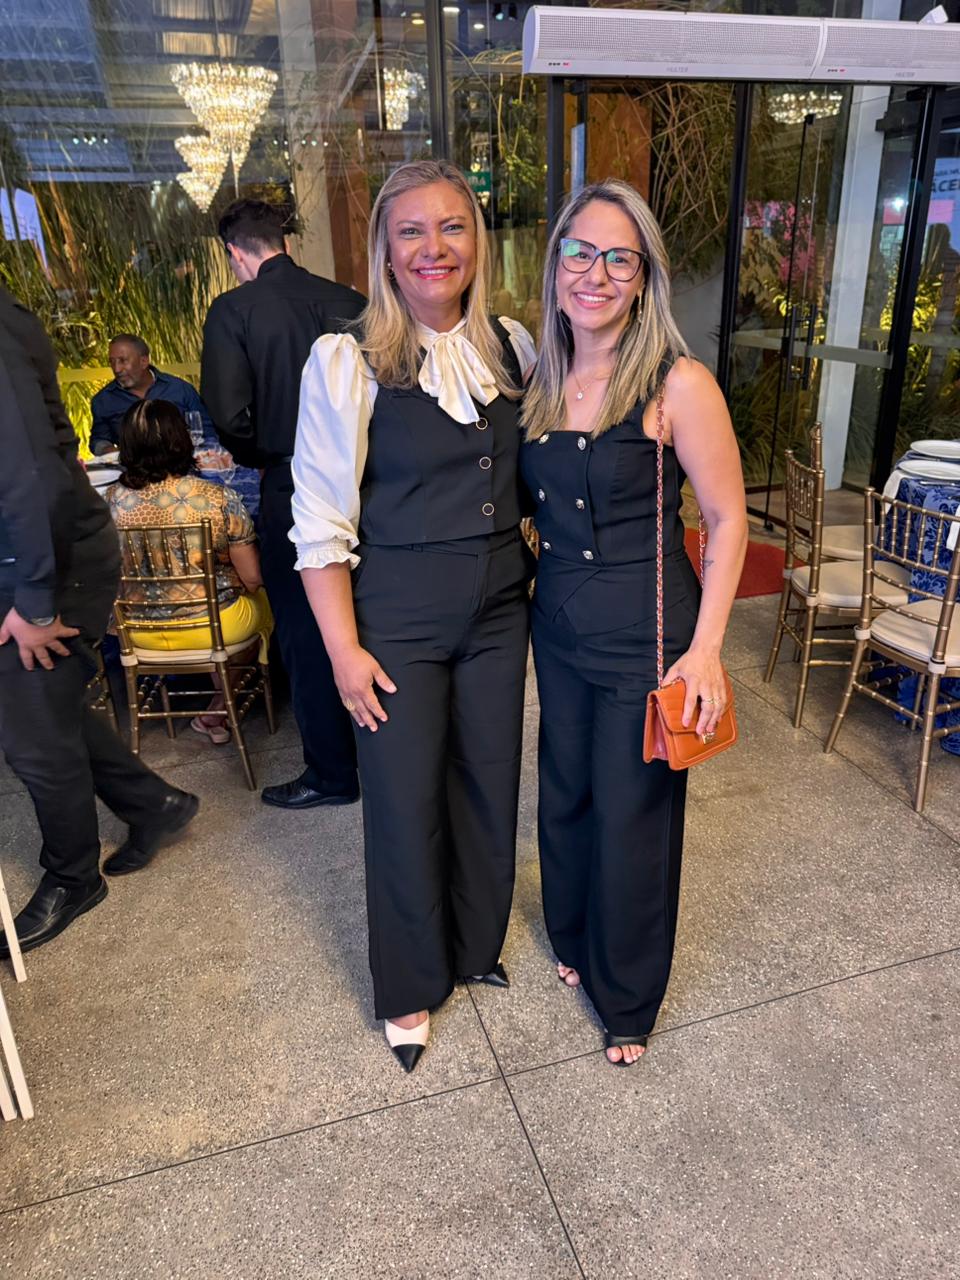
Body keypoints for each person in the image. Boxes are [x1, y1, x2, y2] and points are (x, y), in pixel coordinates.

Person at [289, 160, 536, 1071]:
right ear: (385, 253)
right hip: (396, 614)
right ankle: (408, 984)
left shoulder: (513, 346)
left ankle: (473, 947)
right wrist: (343, 650)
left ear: (477, 241)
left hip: (501, 608)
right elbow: (319, 519)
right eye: (412, 232)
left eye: (452, 227)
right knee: (402, 800)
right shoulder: (346, 360)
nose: (435, 248)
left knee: (487, 782)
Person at [520, 180, 747, 1066]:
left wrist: (708, 650)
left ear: (645, 276)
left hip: (647, 640)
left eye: (621, 258)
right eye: (581, 252)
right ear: (556, 265)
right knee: (567, 793)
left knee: (633, 814)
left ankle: (628, 996)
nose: (597, 274)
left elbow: (726, 519)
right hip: (557, 627)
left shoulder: (678, 383)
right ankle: (575, 935)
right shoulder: (541, 378)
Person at [0, 290, 199, 958]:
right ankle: (154, 805)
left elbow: (23, 470)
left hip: (44, 565)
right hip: (34, 558)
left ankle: (73, 879)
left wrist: (33, 601)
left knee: (33, 739)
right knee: (48, 712)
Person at [201, 199, 365, 810]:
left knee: (303, 629)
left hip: (291, 483)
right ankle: (383, 756)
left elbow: (229, 414)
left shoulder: (234, 309)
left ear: (234, 252)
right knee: (369, 618)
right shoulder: (350, 301)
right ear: (285, 242)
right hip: (366, 484)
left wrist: (264, 452)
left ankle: (332, 774)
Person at [105, 400, 273, 744]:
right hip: (212, 630)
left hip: (135, 633)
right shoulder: (217, 497)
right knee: (270, 603)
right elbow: (253, 577)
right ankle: (220, 706)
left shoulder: (108, 502)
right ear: (182, 440)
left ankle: (216, 704)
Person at [90, 334, 213, 456]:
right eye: (112, 362)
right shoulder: (102, 400)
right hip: (131, 467)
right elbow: (98, 440)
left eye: (123, 361)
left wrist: (207, 457)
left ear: (144, 361)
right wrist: (110, 451)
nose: (116, 369)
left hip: (183, 464)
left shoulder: (180, 389)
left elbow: (206, 432)